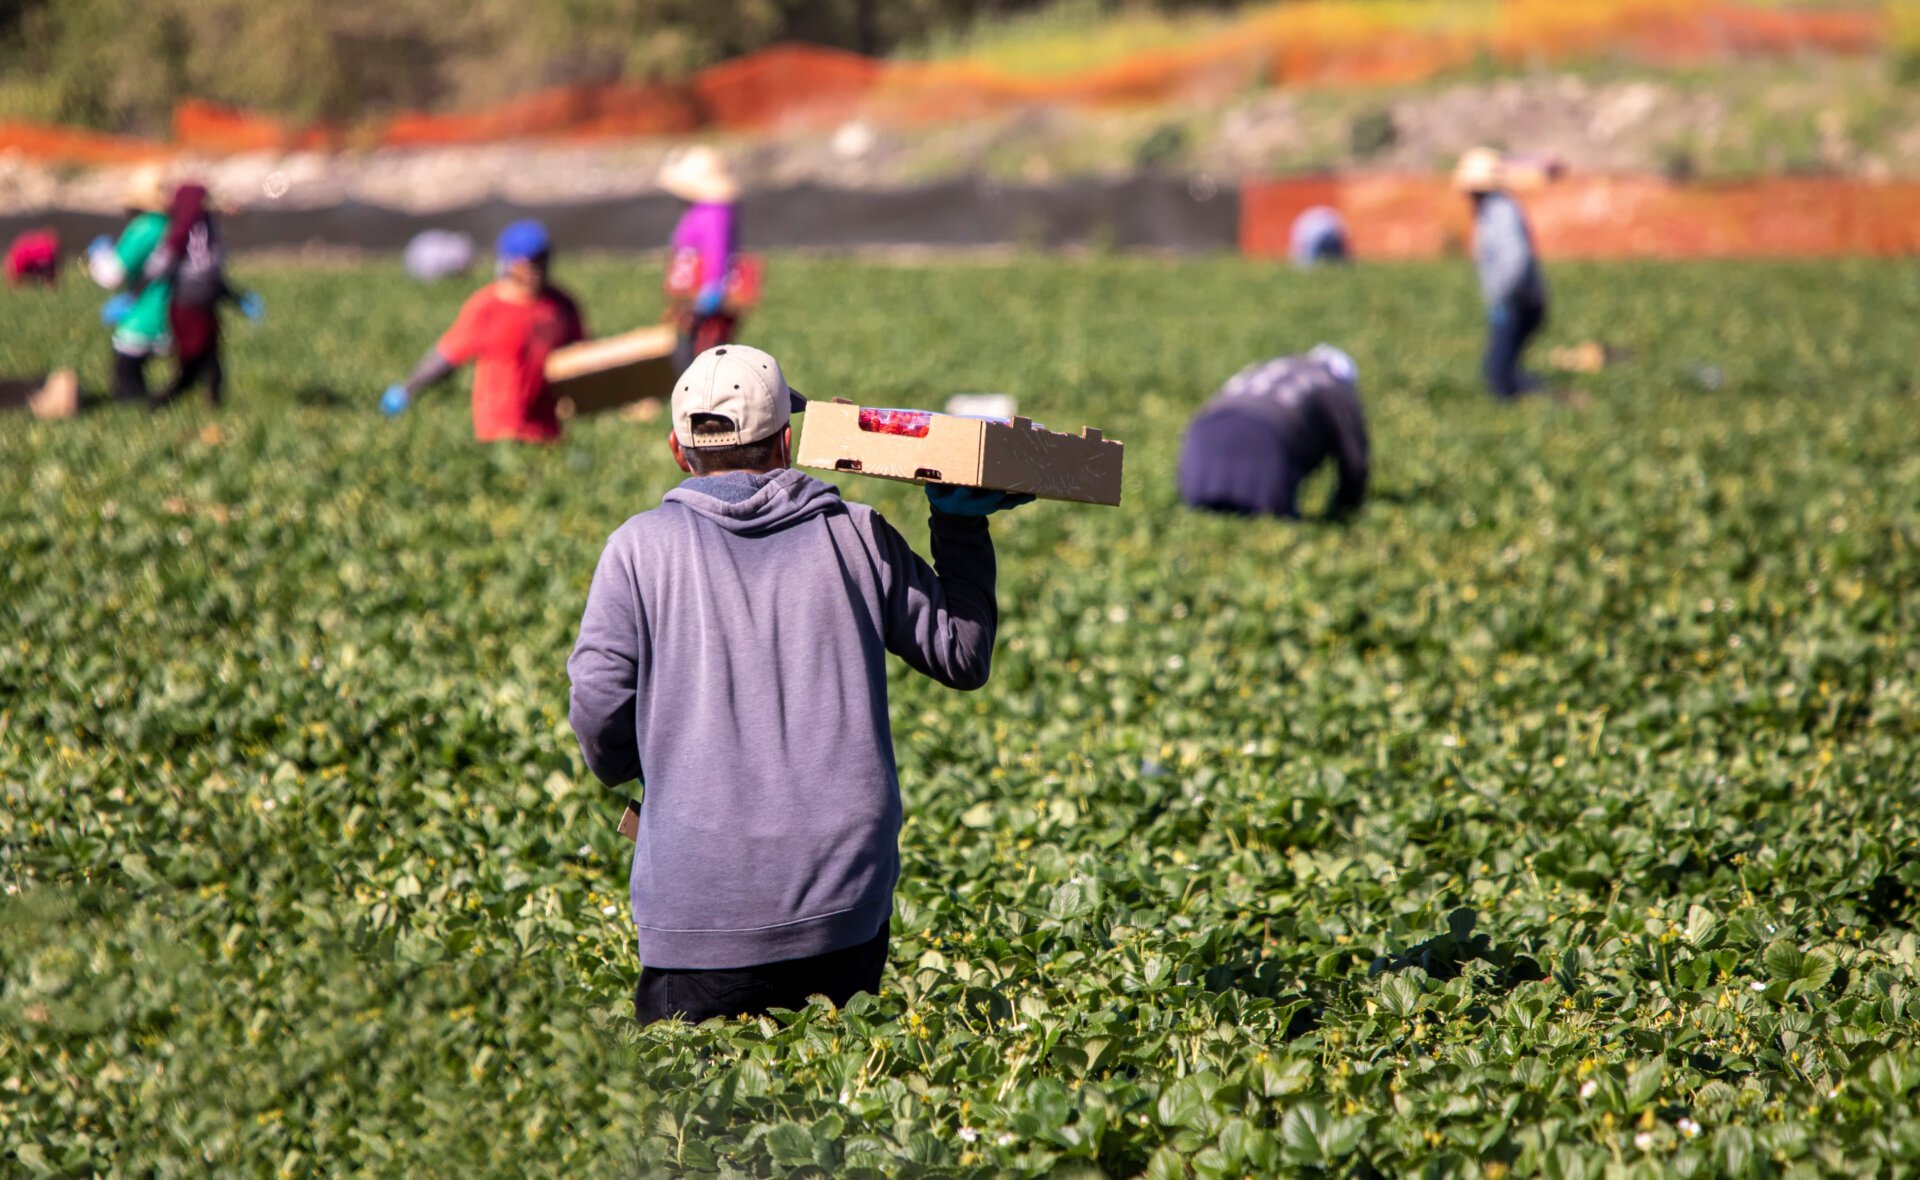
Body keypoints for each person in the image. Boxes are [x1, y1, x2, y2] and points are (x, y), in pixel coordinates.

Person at [566, 344, 1031, 1025]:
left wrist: (657, 771)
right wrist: (960, 524)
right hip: (843, 913)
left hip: (698, 914)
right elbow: (961, 654)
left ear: (677, 449)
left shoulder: (638, 548)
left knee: (698, 1118)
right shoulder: (857, 535)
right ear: (787, 441)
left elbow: (598, 711)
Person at [380, 220, 585, 443]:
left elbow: (581, 356)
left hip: (549, 431)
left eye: (542, 260)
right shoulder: (488, 307)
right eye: (530, 263)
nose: (538, 270)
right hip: (501, 430)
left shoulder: (562, 305)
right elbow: (446, 357)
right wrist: (408, 389)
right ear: (510, 264)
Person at [1177, 345, 1369, 520]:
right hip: (1267, 440)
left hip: (1202, 438)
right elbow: (1354, 457)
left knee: (1204, 519)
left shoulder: (1268, 367)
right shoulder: (1335, 384)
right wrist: (1345, 510)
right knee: (1271, 527)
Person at [145, 182, 261, 409]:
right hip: (187, 306)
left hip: (205, 305)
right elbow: (160, 267)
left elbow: (212, 274)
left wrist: (238, 298)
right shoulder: (181, 232)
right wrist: (135, 295)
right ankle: (160, 403)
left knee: (211, 359)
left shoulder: (206, 229)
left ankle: (213, 404)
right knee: (193, 362)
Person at [1455, 147, 1548, 400]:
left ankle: (1544, 400)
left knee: (1499, 374)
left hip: (1518, 301)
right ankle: (1536, 400)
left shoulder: (1500, 211)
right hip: (1513, 300)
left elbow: (1516, 258)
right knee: (1501, 371)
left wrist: (1504, 296)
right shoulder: (1490, 209)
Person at [86, 166, 173, 406]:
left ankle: (138, 405)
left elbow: (111, 274)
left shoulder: (144, 227)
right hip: (177, 313)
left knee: (126, 376)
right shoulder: (175, 226)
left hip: (145, 317)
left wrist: (98, 256)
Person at [659, 145, 741, 375]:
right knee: (688, 353)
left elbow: (717, 250)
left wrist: (712, 290)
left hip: (706, 300)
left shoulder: (715, 212)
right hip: (692, 297)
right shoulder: (699, 209)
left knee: (702, 358)